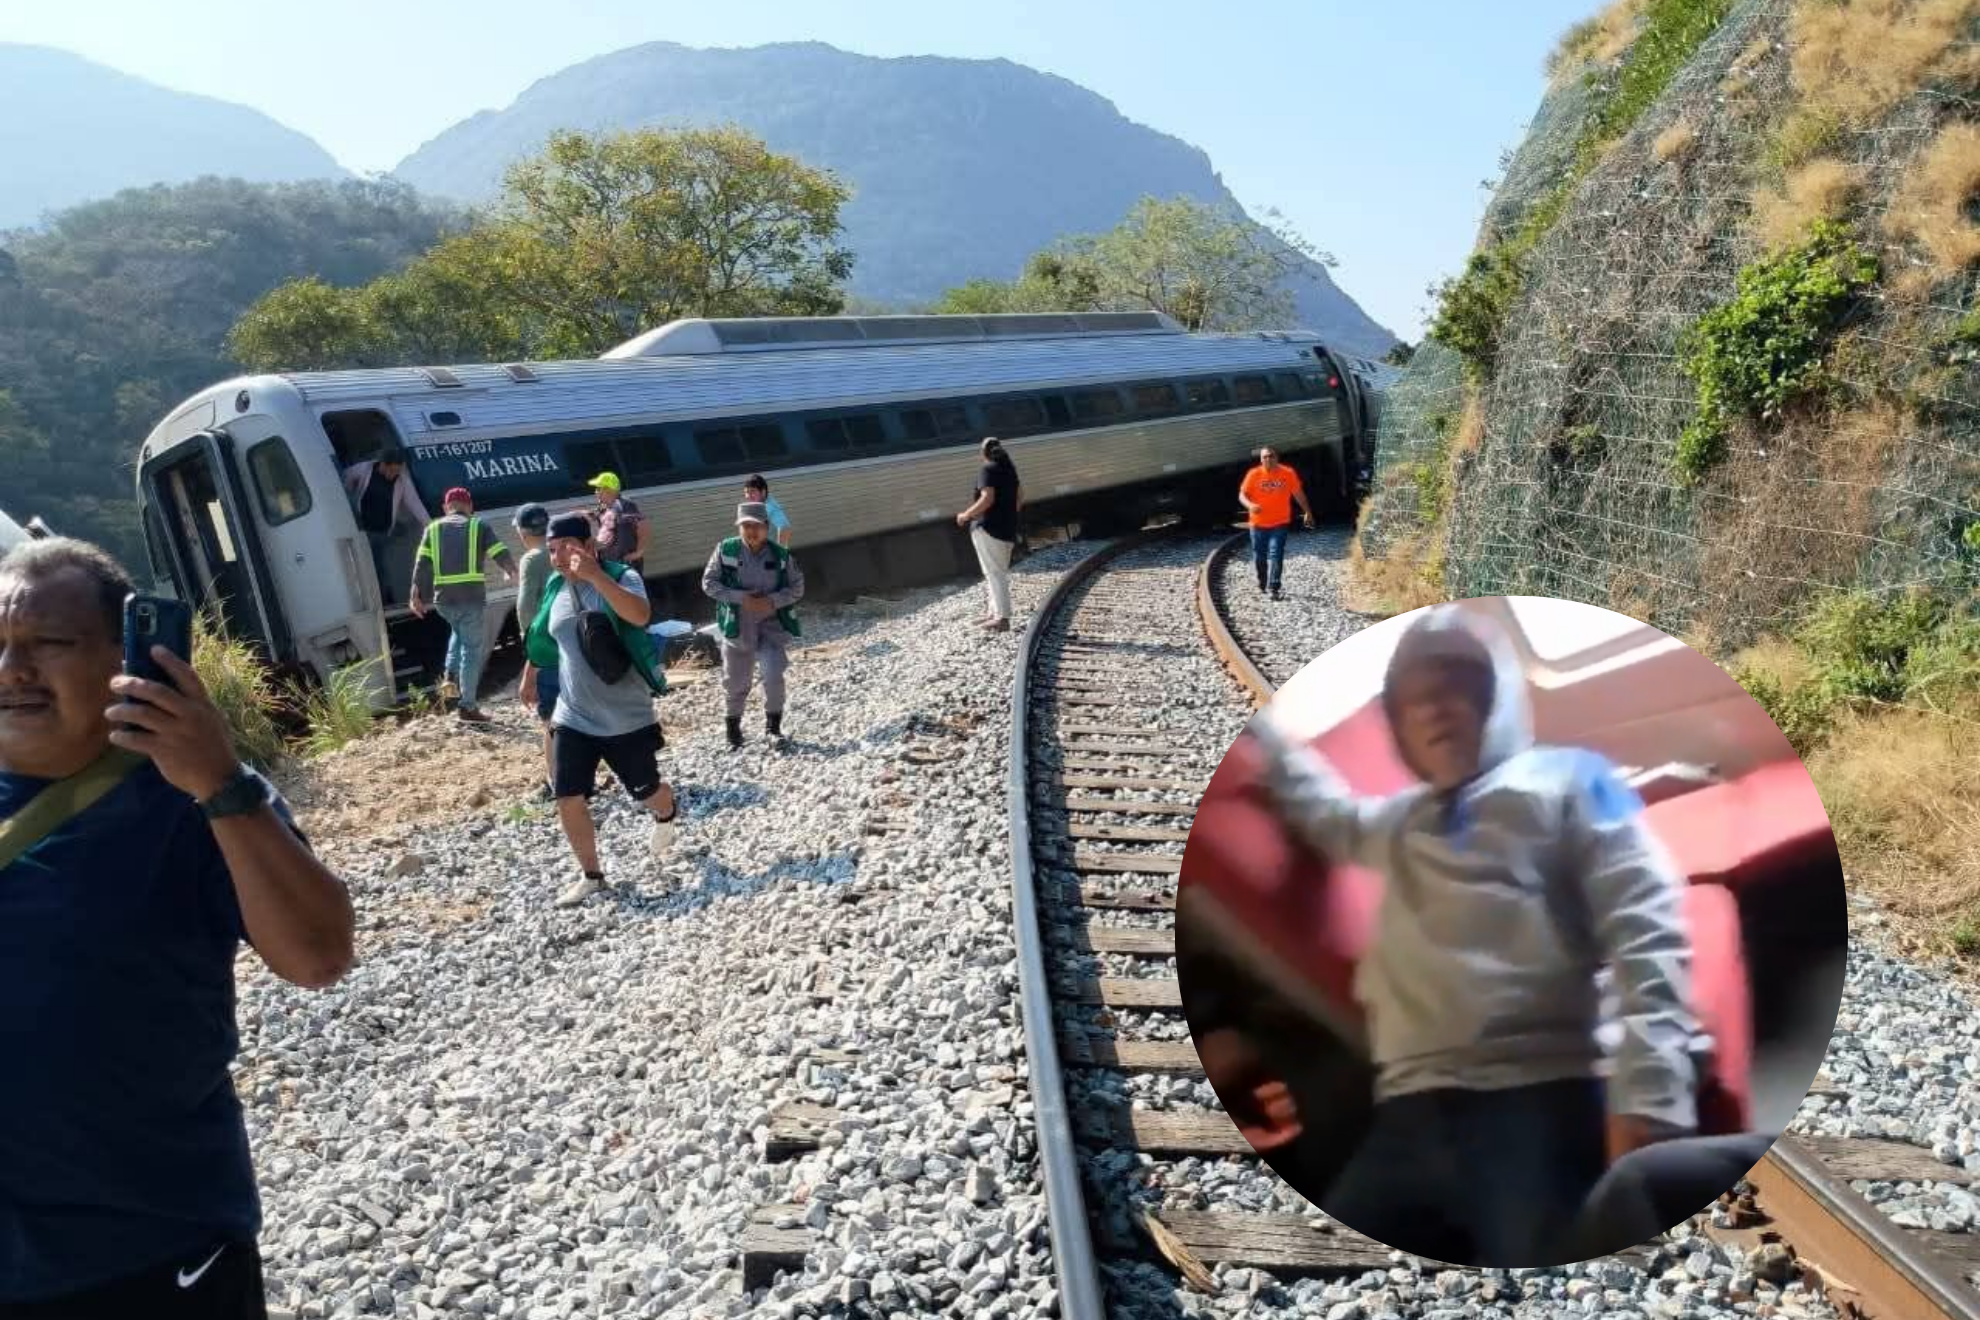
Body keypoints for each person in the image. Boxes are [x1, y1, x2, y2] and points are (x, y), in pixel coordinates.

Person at [1242, 604, 1707, 1266]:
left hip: (1534, 1101)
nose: (1435, 709)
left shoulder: (1568, 782)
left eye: (1456, 687)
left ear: (1496, 700)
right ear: (1397, 726)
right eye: (1415, 700)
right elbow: (1325, 815)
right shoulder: (1397, 822)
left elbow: (1646, 927)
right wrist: (1265, 738)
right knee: (1318, 1271)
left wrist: (1651, 1093)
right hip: (1405, 1111)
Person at [0, 537, 355, 1318]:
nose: (12, 670)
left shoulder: (191, 798)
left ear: (132, 657)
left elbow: (321, 955)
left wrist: (219, 783)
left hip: (151, 1259)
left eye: (48, 644)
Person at [520, 513, 677, 909]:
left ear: (588, 547)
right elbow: (545, 635)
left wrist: (595, 577)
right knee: (567, 794)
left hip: (625, 715)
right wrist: (531, 674)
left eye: (565, 549)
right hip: (573, 715)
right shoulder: (555, 585)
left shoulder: (620, 576)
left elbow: (639, 616)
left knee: (646, 792)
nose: (557, 558)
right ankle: (592, 876)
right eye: (552, 550)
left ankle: (667, 812)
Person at [700, 501, 805, 751]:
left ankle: (773, 729)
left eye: (756, 525)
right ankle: (733, 731)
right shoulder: (725, 550)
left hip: (771, 627)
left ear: (767, 527)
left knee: (773, 675)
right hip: (738, 627)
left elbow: (797, 587)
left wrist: (772, 601)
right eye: (746, 525)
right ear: (739, 527)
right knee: (736, 682)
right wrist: (741, 598)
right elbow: (708, 583)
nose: (751, 531)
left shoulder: (781, 555)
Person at [409, 487, 516, 724]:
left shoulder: (432, 528)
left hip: (444, 601)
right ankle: (467, 707)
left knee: (457, 632)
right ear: (469, 506)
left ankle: (449, 676)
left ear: (446, 507)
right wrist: (510, 570)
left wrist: (415, 595)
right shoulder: (479, 526)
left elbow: (421, 564)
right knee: (471, 651)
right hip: (471, 598)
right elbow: (499, 551)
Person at [512, 503, 559, 799]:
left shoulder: (532, 558)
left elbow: (527, 607)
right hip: (572, 644)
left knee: (552, 718)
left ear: (521, 531)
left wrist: (531, 655)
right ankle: (585, 774)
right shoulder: (562, 551)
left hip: (548, 649)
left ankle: (557, 782)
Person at [341, 449, 428, 607]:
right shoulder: (364, 470)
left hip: (381, 533)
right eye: (392, 470)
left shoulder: (402, 480)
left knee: (379, 567)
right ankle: (378, 601)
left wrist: (430, 525)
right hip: (363, 530)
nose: (394, 474)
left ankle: (385, 601)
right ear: (382, 464)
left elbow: (415, 504)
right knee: (370, 567)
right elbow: (343, 479)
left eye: (398, 471)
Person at [955, 436, 1022, 632]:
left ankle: (1002, 618)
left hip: (988, 528)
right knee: (994, 572)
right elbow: (1020, 499)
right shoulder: (1010, 471)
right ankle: (993, 613)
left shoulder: (987, 469)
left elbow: (987, 498)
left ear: (983, 453)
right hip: (1007, 529)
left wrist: (965, 515)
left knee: (995, 573)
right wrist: (1007, 515)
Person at [1237, 447, 1314, 601]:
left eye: (1271, 456)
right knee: (1259, 556)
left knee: (1276, 553)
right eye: (1264, 457)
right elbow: (1242, 495)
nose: (1268, 459)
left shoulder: (1287, 473)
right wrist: (1250, 505)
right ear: (1260, 459)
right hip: (1257, 524)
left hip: (1280, 523)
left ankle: (1274, 587)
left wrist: (1308, 512)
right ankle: (1262, 582)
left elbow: (1298, 493)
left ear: (1277, 458)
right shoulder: (1254, 474)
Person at [588, 472, 650, 576]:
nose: (595, 492)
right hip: (611, 564)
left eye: (598, 489)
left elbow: (643, 527)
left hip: (625, 565)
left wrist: (638, 553)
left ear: (609, 490)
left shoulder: (624, 505)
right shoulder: (603, 508)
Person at [743, 473, 792, 549]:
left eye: (752, 491)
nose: (748, 496)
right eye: (746, 492)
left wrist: (780, 555)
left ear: (763, 492)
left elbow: (785, 528)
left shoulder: (769, 507)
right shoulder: (759, 504)